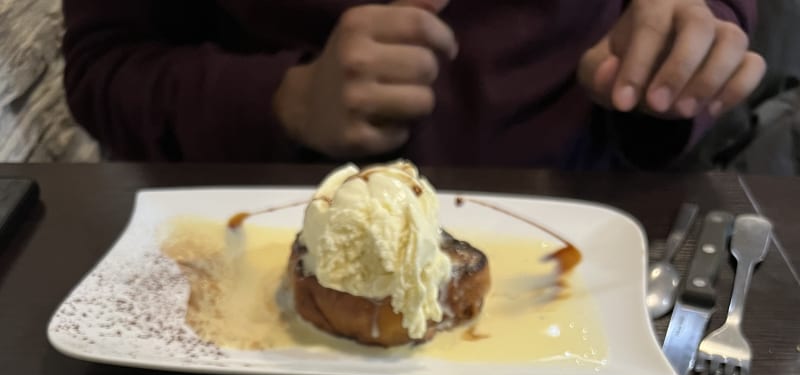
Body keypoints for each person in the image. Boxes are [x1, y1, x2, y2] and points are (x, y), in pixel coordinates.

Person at [61, 0, 765, 170]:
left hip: (585, 234)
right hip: (248, 250)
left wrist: (678, 58)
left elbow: (711, 12)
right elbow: (103, 68)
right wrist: (283, 100)